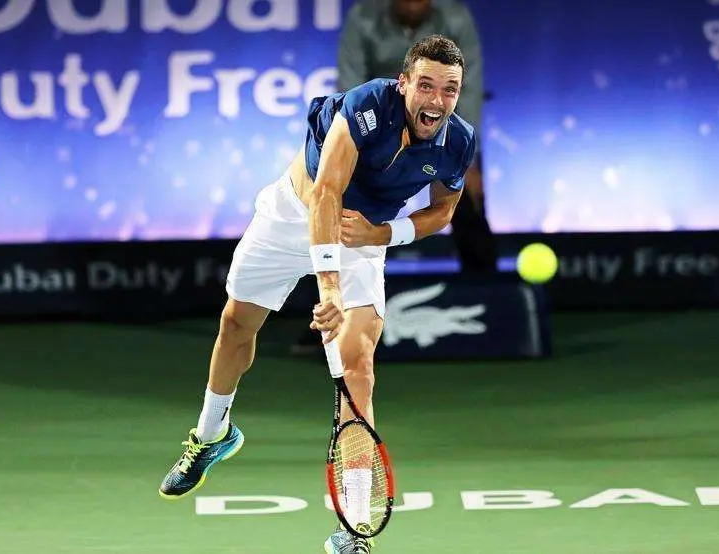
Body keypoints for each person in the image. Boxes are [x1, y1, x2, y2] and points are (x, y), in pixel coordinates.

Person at [157, 34, 477, 554]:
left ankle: (353, 527)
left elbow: (443, 212)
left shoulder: (458, 140)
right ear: (404, 84)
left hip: (359, 233)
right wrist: (328, 284)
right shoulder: (367, 106)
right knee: (236, 324)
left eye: (449, 90)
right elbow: (326, 192)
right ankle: (212, 435)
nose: (436, 101)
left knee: (357, 369)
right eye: (426, 85)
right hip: (294, 213)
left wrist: (382, 235)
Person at [337, 0, 498, 275]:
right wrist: (357, 143)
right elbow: (351, 87)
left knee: (466, 199)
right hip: (378, 126)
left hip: (441, 125)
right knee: (344, 195)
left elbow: (467, 90)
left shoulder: (456, 18)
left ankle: (484, 289)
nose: (413, 4)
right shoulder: (362, 18)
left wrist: (468, 159)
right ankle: (334, 277)